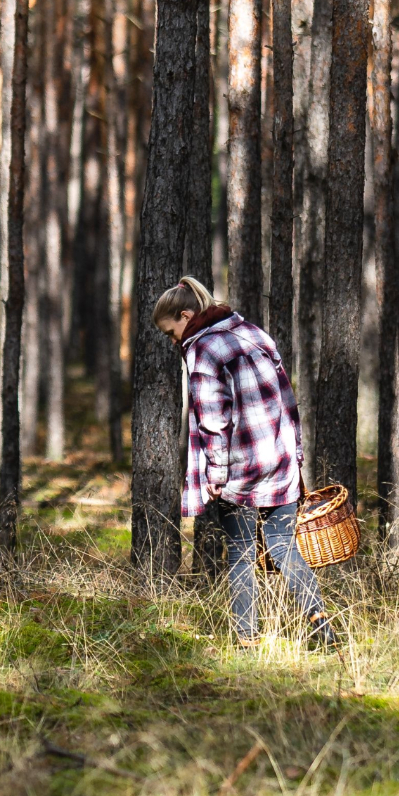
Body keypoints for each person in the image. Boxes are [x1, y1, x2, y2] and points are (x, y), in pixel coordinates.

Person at [154, 276, 339, 649]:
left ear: (186, 316)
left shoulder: (202, 349)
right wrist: (297, 454)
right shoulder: (253, 332)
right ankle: (322, 626)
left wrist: (216, 475)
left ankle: (247, 638)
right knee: (284, 545)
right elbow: (288, 399)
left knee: (240, 553)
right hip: (280, 459)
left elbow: (213, 420)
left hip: (240, 468)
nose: (173, 341)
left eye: (170, 332)